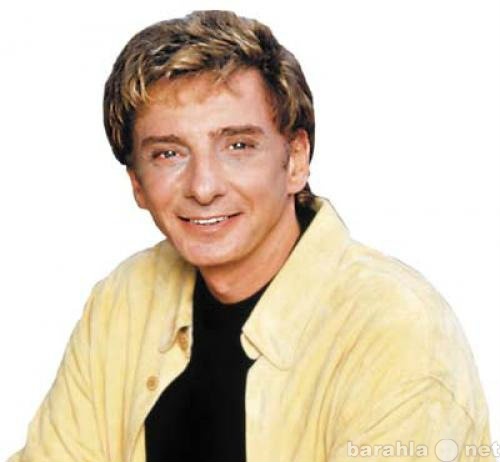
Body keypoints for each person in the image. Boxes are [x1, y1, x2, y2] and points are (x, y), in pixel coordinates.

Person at [8, 9, 494, 462]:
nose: (203, 188)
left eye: (238, 145)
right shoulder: (125, 300)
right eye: (168, 154)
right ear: (137, 183)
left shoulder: (396, 328)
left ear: (296, 160)